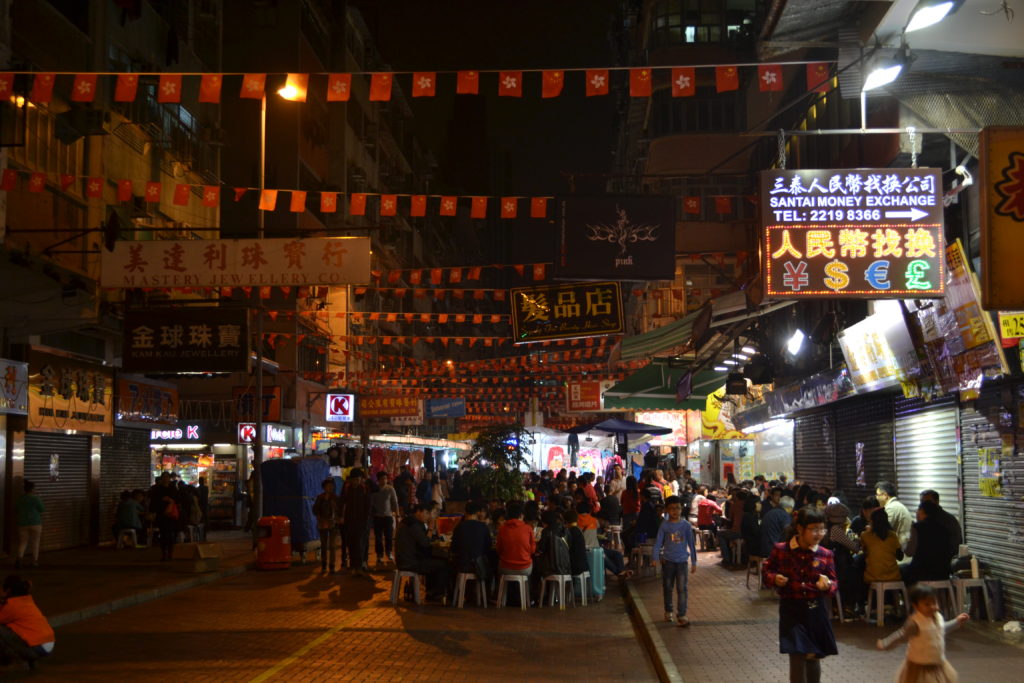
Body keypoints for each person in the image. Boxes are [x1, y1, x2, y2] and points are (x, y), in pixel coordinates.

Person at [763, 506, 838, 683]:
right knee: (797, 655)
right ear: (800, 529)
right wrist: (774, 578)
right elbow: (766, 572)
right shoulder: (781, 550)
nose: (819, 534)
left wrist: (827, 586)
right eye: (813, 529)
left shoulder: (825, 554)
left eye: (821, 529)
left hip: (816, 610)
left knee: (813, 656)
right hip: (791, 610)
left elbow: (835, 583)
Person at [876, 584, 969, 683]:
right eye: (927, 604)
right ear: (916, 606)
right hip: (919, 666)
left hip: (938, 663)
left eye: (934, 602)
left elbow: (942, 629)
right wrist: (886, 643)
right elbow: (902, 636)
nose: (932, 607)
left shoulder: (937, 616)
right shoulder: (915, 623)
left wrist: (956, 622)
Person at [652, 496, 698, 627]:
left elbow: (691, 544)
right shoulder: (664, 525)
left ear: (681, 509)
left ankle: (682, 614)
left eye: (677, 508)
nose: (675, 511)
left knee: (682, 588)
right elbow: (658, 542)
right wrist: (655, 557)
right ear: (666, 510)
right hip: (668, 562)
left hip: (682, 562)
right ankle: (668, 611)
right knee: (667, 587)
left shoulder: (686, 526)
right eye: (671, 509)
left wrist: (694, 561)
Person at [395, 503, 448, 602]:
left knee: (434, 561)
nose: (428, 516)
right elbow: (425, 543)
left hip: (405, 559)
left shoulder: (409, 521)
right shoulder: (413, 524)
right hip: (410, 562)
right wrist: (431, 529)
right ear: (418, 511)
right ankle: (435, 593)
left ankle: (432, 592)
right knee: (443, 564)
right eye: (426, 513)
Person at [0, 575, 54, 671]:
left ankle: (17, 661)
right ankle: (30, 660)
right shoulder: (26, 599)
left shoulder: (13, 604)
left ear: (8, 590)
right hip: (47, 643)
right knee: (11, 630)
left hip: (38, 646)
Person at [903, 500, 957, 585]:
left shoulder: (917, 527)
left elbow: (909, 552)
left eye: (918, 510)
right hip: (942, 573)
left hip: (921, 572)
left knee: (901, 571)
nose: (916, 513)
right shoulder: (944, 529)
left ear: (922, 511)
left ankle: (911, 597)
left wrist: (905, 543)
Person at [451, 502, 493, 591]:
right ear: (478, 512)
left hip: (461, 564)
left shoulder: (459, 527)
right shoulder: (483, 527)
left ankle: (456, 594)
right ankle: (486, 595)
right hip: (479, 565)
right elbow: (488, 547)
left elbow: (453, 548)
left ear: (465, 512)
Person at [339, 468, 372, 574]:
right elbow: (342, 502)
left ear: (361, 479)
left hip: (362, 521)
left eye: (358, 479)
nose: (356, 482)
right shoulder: (347, 488)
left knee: (359, 543)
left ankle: (358, 566)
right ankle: (353, 566)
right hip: (349, 521)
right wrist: (341, 517)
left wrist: (366, 520)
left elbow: (368, 506)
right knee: (351, 543)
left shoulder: (365, 488)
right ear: (350, 480)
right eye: (354, 480)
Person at [862, 508, 903, 584]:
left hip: (873, 577)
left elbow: (864, 552)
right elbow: (900, 557)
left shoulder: (865, 536)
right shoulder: (893, 535)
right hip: (894, 576)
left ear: (872, 521)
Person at [496, 501, 536, 581]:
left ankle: (502, 592)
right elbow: (532, 550)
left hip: (505, 567)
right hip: (524, 568)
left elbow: (498, 550)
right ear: (521, 515)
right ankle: (526, 591)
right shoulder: (528, 528)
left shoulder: (502, 529)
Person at [919, 490, 962, 558]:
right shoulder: (924, 519)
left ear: (937, 502)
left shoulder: (948, 520)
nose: (923, 505)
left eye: (928, 502)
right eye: (921, 502)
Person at [370, 471, 400, 567]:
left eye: (385, 478)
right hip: (377, 517)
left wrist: (398, 515)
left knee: (389, 536)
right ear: (378, 480)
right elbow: (371, 503)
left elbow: (395, 503)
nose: (384, 480)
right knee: (378, 537)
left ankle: (389, 552)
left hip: (388, 516)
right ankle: (379, 555)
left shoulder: (390, 489)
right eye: (382, 479)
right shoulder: (374, 490)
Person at [150, 472, 180, 561]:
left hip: (170, 515)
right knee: (163, 534)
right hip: (161, 514)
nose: (165, 479)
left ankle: (170, 553)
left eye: (167, 477)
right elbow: (153, 501)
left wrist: (170, 500)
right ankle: (164, 553)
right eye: (164, 477)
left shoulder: (172, 488)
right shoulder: (157, 489)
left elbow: (178, 499)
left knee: (170, 534)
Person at [14, 481, 44, 570]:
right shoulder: (36, 499)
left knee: (23, 543)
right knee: (35, 543)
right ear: (32, 489)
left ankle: (19, 559)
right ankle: (34, 562)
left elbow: (16, 509)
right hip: (35, 523)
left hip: (22, 523)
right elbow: (42, 509)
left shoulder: (20, 499)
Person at [313, 478, 341, 575]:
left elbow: (339, 510)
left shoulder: (335, 498)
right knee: (324, 545)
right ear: (324, 487)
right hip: (322, 524)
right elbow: (315, 510)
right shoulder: (320, 497)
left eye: (331, 486)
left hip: (333, 524)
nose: (330, 488)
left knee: (332, 546)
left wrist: (337, 518)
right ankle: (324, 566)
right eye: (328, 486)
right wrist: (319, 518)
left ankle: (332, 566)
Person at [875, 480, 913, 549]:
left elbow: (883, 531)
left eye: (877, 495)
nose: (876, 497)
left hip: (901, 553)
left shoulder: (892, 508)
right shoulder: (895, 505)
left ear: (885, 495)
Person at [564, 510, 589, 578]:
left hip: (575, 567)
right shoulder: (578, 530)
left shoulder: (569, 532)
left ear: (565, 521)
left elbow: (566, 549)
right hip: (584, 565)